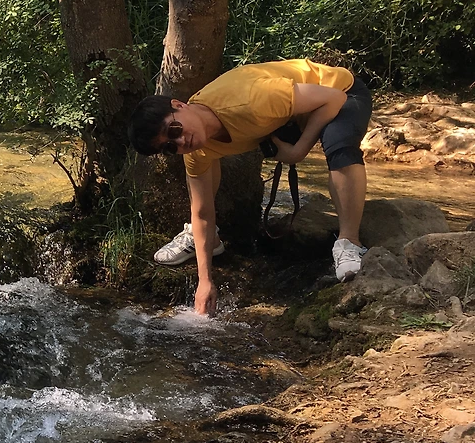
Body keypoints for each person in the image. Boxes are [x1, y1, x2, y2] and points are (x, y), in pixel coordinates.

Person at [127, 59, 373, 315]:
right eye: (169, 147)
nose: (180, 142)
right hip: (297, 111)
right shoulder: (195, 151)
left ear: (179, 105)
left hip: (342, 92)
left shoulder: (251, 101)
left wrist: (298, 151)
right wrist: (205, 281)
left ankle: (349, 243)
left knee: (339, 146)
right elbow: (201, 212)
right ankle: (209, 241)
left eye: (174, 129)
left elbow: (333, 99)